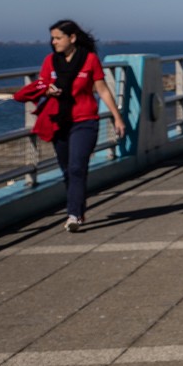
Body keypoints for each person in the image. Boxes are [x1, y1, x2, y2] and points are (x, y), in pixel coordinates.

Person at [15, 20, 127, 232]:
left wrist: (117, 117)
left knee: (77, 167)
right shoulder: (50, 61)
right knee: (68, 170)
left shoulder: (90, 60)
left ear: (72, 38)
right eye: (52, 38)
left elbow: (102, 90)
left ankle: (73, 215)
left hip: (85, 121)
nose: (53, 42)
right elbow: (43, 85)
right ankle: (79, 207)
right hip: (59, 122)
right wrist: (48, 91)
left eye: (58, 37)